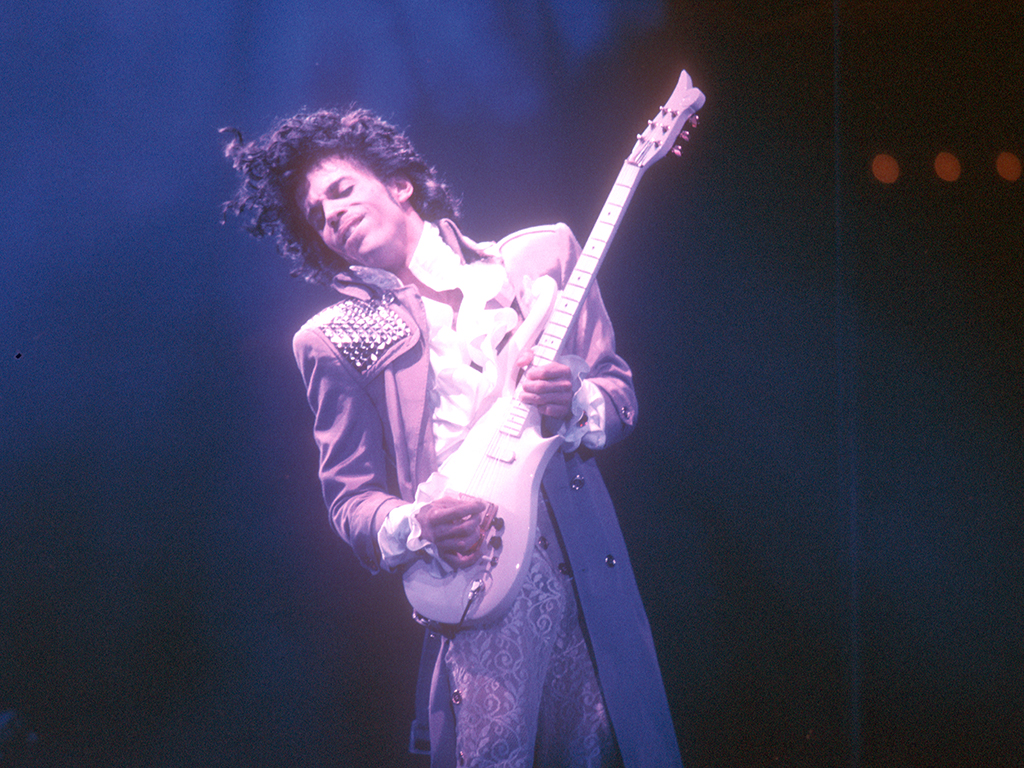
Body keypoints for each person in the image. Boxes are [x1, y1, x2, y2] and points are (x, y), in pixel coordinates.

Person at [224, 108, 681, 768]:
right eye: (318, 218)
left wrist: (574, 397)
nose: (333, 218)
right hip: (477, 575)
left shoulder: (539, 259)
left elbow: (618, 395)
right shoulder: (332, 339)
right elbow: (351, 503)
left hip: (584, 562)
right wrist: (421, 526)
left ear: (399, 184)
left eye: (341, 191)